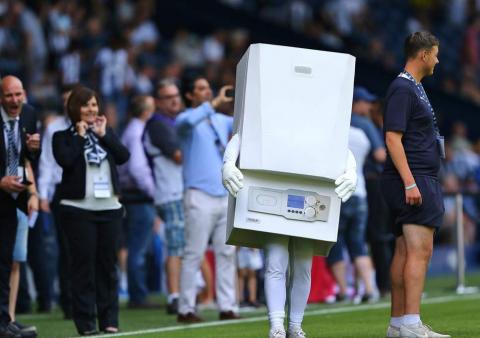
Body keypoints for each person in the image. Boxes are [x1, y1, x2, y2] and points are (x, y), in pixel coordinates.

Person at [222, 133, 357, 338]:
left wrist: (352, 170)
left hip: (309, 188)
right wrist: (228, 163)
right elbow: (246, 132)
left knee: (303, 267)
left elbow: (336, 140)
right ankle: (276, 326)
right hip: (275, 185)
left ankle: (295, 325)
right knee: (276, 262)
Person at [381, 31, 449, 338]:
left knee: (405, 251)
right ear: (423, 55)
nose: (437, 60)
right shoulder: (403, 88)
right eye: (435, 54)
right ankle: (410, 323)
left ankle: (397, 325)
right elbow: (392, 138)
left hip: (417, 177)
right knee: (420, 251)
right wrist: (410, 183)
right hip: (414, 178)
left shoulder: (414, 88)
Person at [52, 85, 130, 336]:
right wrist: (79, 135)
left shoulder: (105, 133)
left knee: (108, 267)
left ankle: (109, 320)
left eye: (94, 104)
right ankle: (85, 323)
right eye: (85, 105)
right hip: (77, 210)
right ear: (74, 108)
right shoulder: (62, 136)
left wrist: (104, 134)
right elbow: (66, 160)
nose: (91, 109)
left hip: (109, 208)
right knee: (83, 268)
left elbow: (123, 156)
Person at [175, 75, 239, 323]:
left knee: (227, 254)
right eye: (200, 89)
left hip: (223, 194)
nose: (206, 92)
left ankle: (227, 305)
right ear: (190, 95)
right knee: (194, 253)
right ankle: (186, 308)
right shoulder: (185, 121)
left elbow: (240, 125)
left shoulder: (220, 121)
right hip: (198, 194)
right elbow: (189, 120)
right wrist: (212, 104)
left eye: (207, 88)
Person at [0, 75, 40, 338]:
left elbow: (26, 158)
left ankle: (5, 320)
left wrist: (33, 150)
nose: (15, 101)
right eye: (8, 96)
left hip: (14, 198)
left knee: (7, 261)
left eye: (18, 95)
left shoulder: (29, 114)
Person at [143, 79, 185, 314]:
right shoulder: (157, 124)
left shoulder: (172, 121)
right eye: (168, 97)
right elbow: (179, 156)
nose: (175, 100)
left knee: (182, 245)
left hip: (177, 191)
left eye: (176, 95)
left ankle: (184, 293)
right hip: (170, 193)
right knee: (177, 246)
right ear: (158, 102)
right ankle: (175, 296)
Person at [37, 84, 75, 319]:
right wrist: (42, 195)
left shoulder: (94, 126)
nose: (66, 104)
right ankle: (68, 302)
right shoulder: (54, 128)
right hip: (62, 191)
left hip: (88, 191)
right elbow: (47, 164)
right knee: (66, 250)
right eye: (64, 100)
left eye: (70, 99)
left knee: (87, 249)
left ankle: (87, 299)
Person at [327, 126, 376, 304]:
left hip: (340, 191)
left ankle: (342, 290)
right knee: (359, 245)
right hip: (360, 192)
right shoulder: (361, 134)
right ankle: (369, 289)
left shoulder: (334, 132)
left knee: (335, 243)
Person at [118, 95, 156, 308]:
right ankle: (138, 295)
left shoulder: (130, 129)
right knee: (138, 248)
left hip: (132, 196)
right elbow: (137, 168)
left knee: (136, 247)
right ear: (145, 111)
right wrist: (154, 192)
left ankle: (137, 293)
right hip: (139, 197)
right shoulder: (137, 131)